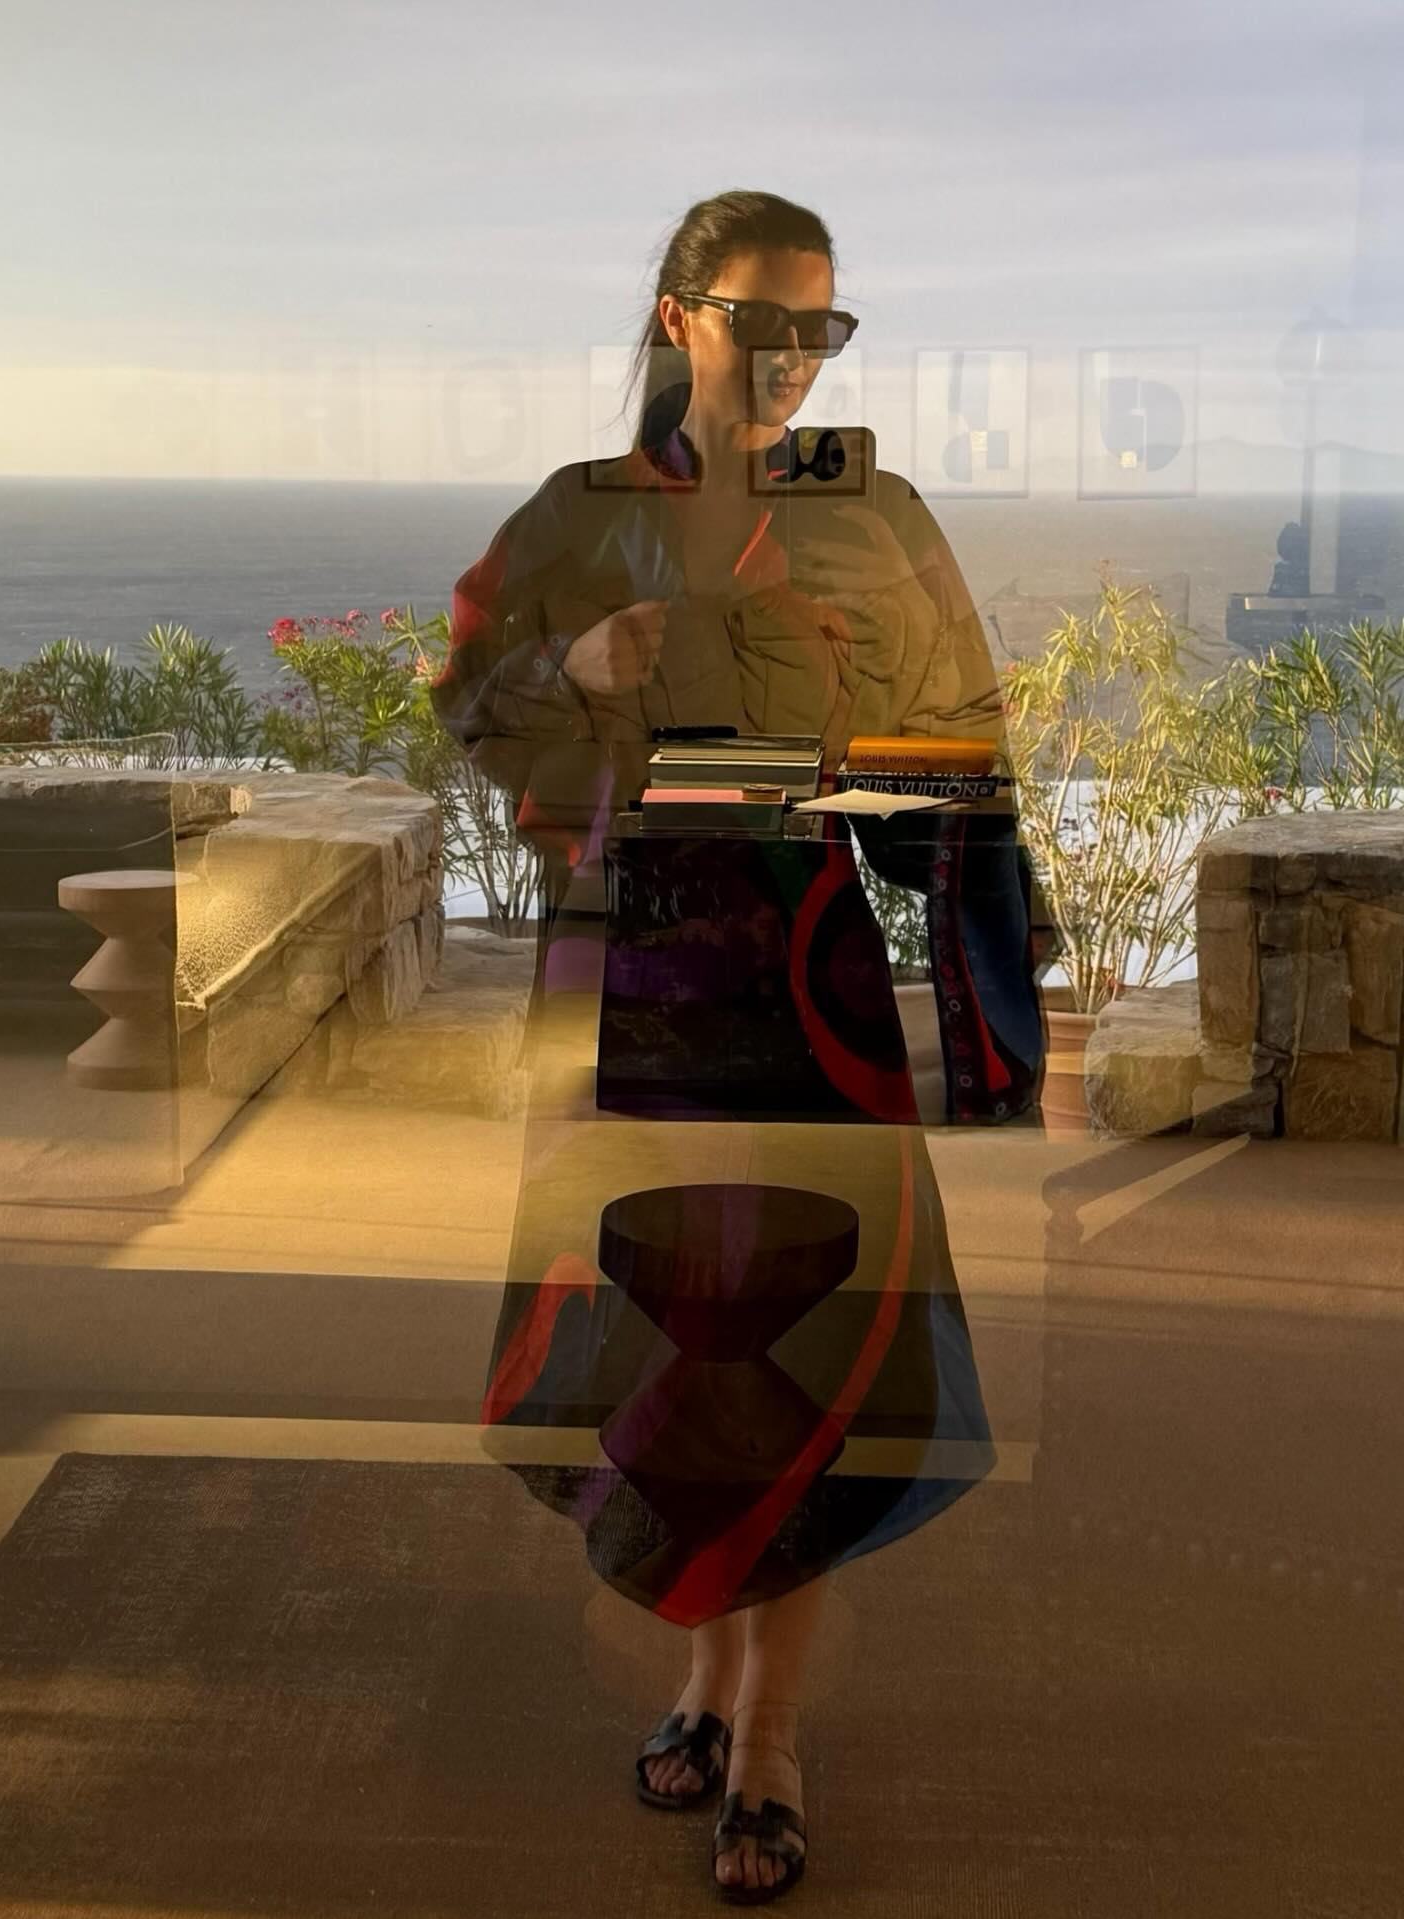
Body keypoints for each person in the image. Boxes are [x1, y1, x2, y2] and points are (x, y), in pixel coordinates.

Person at [430, 189, 1051, 1903]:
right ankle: (709, 1680)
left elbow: (962, 759)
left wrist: (981, 1013)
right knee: (666, 1342)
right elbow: (466, 698)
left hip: (801, 992)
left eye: (821, 328)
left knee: (802, 1344)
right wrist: (575, 659)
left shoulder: (874, 518)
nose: (792, 359)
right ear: (679, 315)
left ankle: (768, 1736)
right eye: (760, 321)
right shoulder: (578, 516)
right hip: (621, 989)